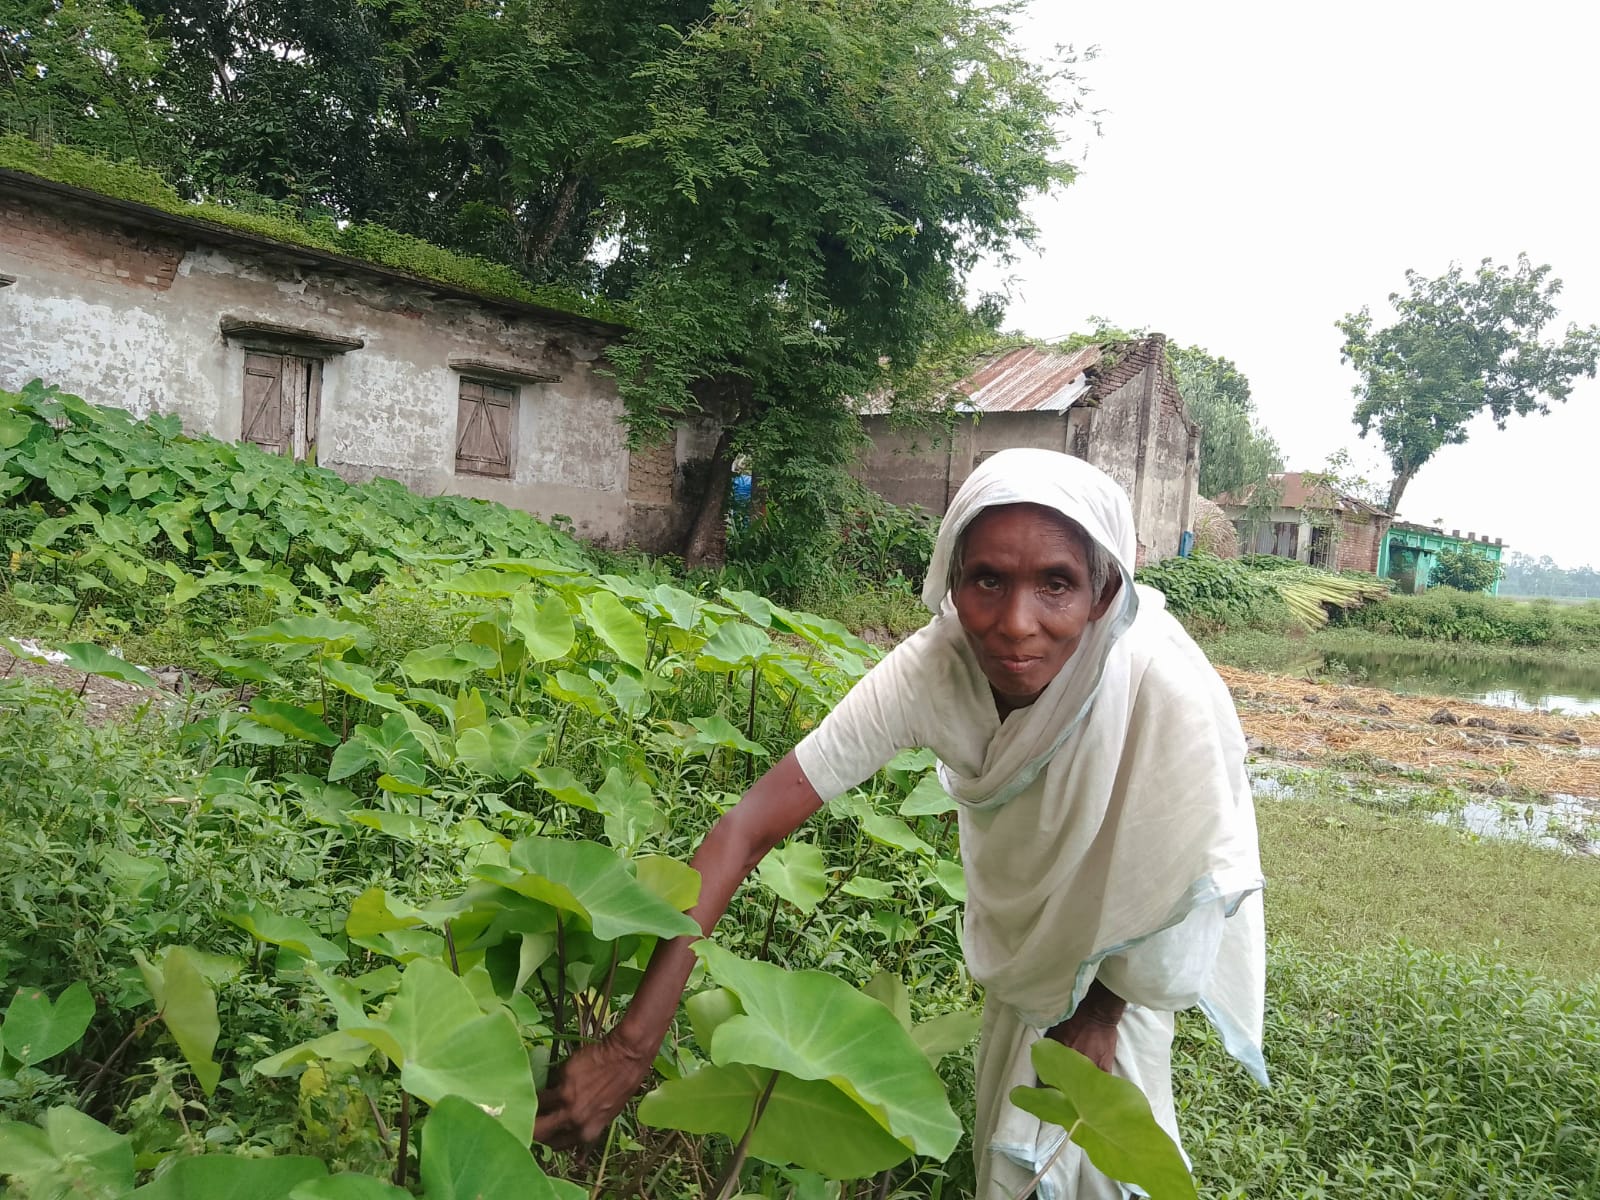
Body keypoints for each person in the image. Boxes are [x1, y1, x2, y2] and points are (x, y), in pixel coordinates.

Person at [534, 448, 1267, 1198]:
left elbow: (1193, 864)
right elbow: (746, 827)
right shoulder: (936, 667)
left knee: (1103, 1167)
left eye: (1056, 583)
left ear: (1105, 591)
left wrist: (1103, 1009)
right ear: (951, 580)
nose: (1016, 625)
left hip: (1122, 968)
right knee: (1006, 1161)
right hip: (1024, 967)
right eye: (988, 581)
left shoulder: (1160, 687)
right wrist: (630, 1047)